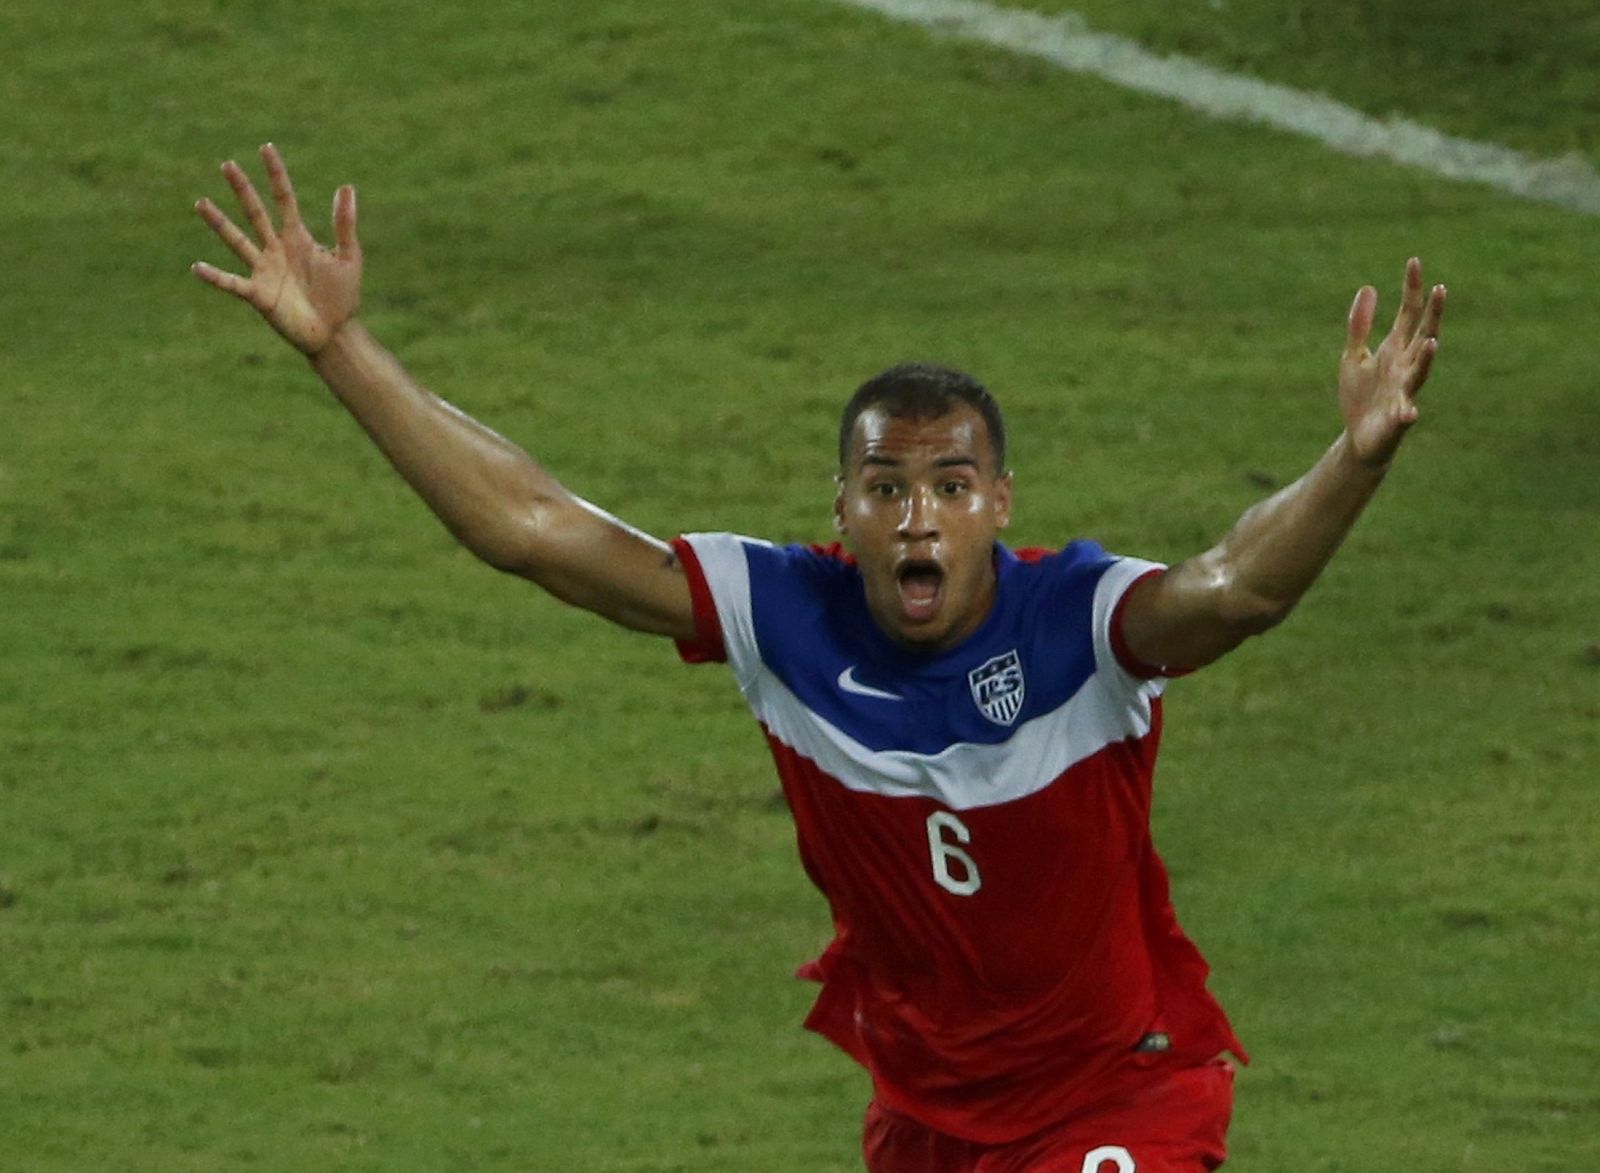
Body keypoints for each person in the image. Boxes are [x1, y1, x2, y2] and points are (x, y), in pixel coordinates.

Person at [192, 144, 1445, 1173]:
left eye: (950, 487)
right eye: (886, 487)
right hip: (926, 1120)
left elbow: (1242, 586)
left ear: (1000, 502)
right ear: (839, 506)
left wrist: (1356, 458)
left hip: (1110, 1098)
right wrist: (339, 349)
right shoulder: (777, 612)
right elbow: (529, 529)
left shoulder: (1079, 622)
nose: (917, 518)